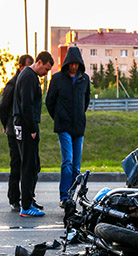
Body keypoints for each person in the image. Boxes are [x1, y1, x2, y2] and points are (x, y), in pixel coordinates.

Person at [46, 46, 90, 208]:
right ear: (66, 64)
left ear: (80, 64)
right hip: (63, 126)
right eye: (71, 63)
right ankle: (64, 196)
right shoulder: (57, 79)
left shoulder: (84, 79)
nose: (73, 66)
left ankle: (72, 196)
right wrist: (59, 118)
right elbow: (49, 102)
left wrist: (79, 115)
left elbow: (86, 101)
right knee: (68, 162)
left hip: (78, 127)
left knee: (76, 165)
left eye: (76, 64)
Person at [13, 51, 54, 217]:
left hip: (23, 124)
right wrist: (31, 129)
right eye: (46, 69)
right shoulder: (29, 77)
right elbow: (27, 105)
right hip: (26, 125)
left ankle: (29, 200)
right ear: (38, 62)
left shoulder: (28, 76)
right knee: (29, 166)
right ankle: (26, 206)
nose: (46, 73)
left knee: (34, 164)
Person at [0, 54, 34, 211]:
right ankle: (14, 199)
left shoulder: (27, 83)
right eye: (27, 66)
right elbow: (3, 106)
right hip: (13, 131)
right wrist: (5, 125)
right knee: (16, 164)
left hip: (24, 129)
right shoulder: (12, 85)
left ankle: (29, 198)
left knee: (30, 165)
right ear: (20, 66)